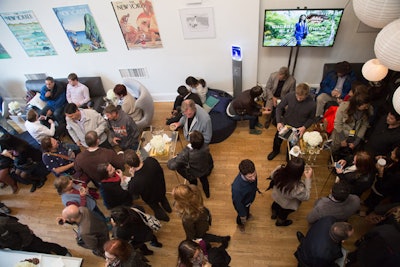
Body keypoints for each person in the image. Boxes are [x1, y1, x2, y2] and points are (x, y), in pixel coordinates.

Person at [267, 83, 316, 160]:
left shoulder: (312, 104)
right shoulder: (290, 96)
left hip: (297, 129)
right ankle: (275, 151)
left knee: (291, 147)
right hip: (285, 124)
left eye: (301, 98)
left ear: (306, 96)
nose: (298, 99)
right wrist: (279, 121)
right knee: (277, 140)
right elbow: (279, 108)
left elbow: (311, 119)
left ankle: (288, 159)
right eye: (297, 96)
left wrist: (304, 127)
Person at [124, 149, 172, 222]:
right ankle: (168, 209)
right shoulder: (151, 161)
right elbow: (160, 170)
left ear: (129, 165)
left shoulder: (135, 181)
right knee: (163, 199)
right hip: (161, 189)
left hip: (151, 198)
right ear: (138, 155)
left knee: (156, 208)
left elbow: (133, 192)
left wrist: (133, 176)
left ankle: (164, 217)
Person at [167, 131, 213, 198]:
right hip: (203, 169)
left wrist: (175, 158)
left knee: (193, 184)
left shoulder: (186, 153)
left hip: (192, 173)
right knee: (204, 181)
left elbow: (171, 166)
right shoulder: (206, 147)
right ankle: (207, 194)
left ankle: (196, 195)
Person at [0, 213, 70, 256]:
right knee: (38, 253)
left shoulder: (3, 222)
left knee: (45, 246)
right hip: (16, 247)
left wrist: (24, 244)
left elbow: (23, 229)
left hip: (28, 241)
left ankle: (63, 251)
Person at [270, 157, 312, 226]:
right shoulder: (298, 188)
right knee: (283, 214)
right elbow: (306, 196)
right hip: (287, 205)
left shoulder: (278, 170)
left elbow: (272, 175)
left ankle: (274, 214)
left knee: (275, 205)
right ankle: (280, 222)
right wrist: (308, 179)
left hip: (276, 197)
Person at [364, 145, 400, 212]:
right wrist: (381, 158)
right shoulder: (393, 162)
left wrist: (381, 173)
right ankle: (366, 203)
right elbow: (388, 160)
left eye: (394, 153)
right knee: (371, 195)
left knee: (374, 201)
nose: (391, 152)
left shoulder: (397, 175)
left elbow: (383, 187)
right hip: (376, 184)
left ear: (397, 159)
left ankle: (368, 212)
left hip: (381, 191)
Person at [231, 159, 258, 232]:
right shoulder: (237, 188)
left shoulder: (252, 173)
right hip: (242, 204)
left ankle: (247, 214)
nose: (253, 178)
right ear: (242, 174)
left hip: (248, 201)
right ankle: (240, 224)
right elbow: (237, 204)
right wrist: (242, 215)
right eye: (250, 177)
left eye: (254, 174)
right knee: (241, 217)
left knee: (247, 209)